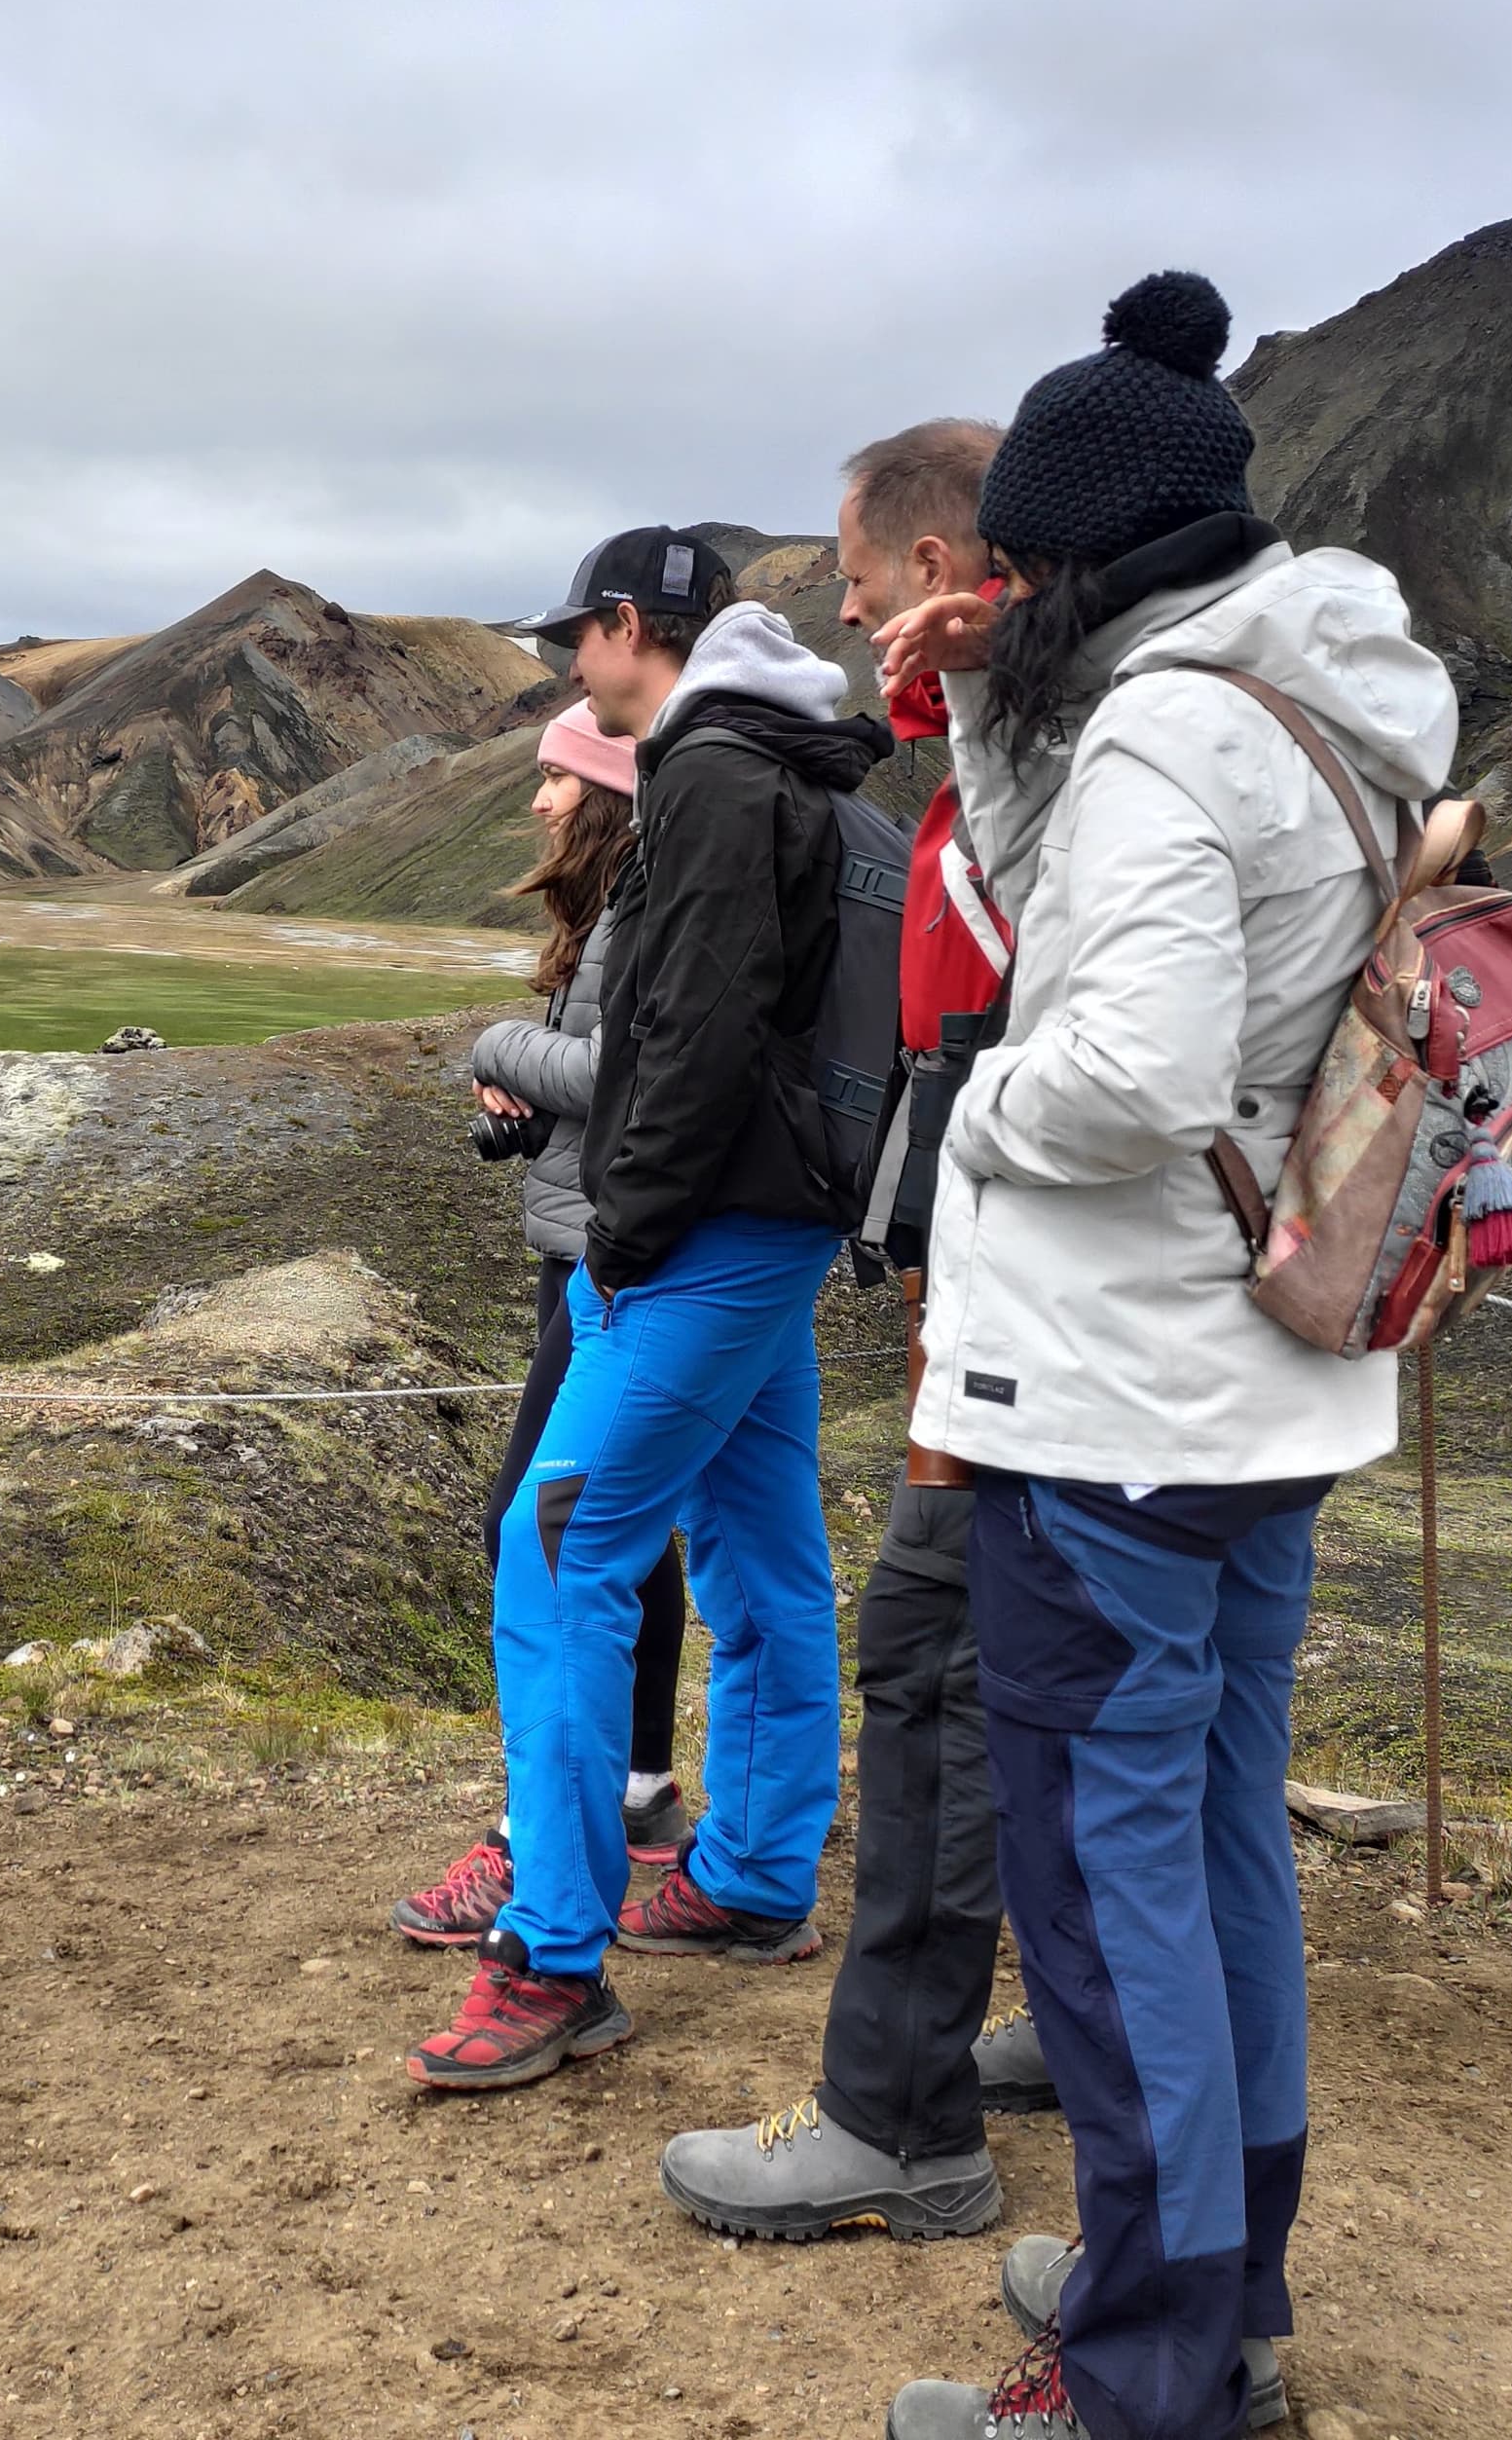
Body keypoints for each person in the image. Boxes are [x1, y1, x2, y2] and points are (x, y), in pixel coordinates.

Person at [875, 276, 1457, 2440]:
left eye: (1017, 576)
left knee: (1108, 1898)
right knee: (1215, 1859)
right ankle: (1217, 2291)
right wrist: (988, 701)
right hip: (1263, 1392)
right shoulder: (1305, 693)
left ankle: (1146, 2377)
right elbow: (1075, 892)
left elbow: (1124, 1062)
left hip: (1122, 1402)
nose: (996, 601)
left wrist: (969, 1114)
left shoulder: (1159, 733)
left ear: (1079, 560)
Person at [408, 529, 889, 2091]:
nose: (571, 668)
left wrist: (623, 1235)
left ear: (629, 626)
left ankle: (553, 1951)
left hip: (706, 1236)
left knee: (555, 1550)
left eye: (578, 641)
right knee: (760, 1547)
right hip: (785, 1221)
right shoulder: (813, 770)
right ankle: (752, 1875)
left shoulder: (712, 775)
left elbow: (688, 1035)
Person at [654, 419, 1055, 2241]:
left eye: (859, 571)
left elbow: (1032, 1082)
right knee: (1049, 1691)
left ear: (943, 572)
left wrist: (957, 1340)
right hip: (1024, 1337)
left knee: (933, 1673)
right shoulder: (1012, 771)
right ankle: (1073, 2033)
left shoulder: (1040, 786)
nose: (843, 606)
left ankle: (899, 2118)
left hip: (1022, 1351)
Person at [391, 703, 697, 1944]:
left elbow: (625, 1067)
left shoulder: (640, 909)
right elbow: (601, 1091)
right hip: (591, 1234)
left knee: (536, 1527)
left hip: (611, 1255)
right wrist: (525, 1114)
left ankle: (546, 1844)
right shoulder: (609, 911)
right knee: (629, 1529)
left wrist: (500, 1046)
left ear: (608, 793)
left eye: (557, 780)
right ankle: (640, 1789)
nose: (537, 802)